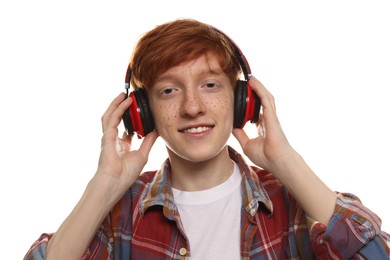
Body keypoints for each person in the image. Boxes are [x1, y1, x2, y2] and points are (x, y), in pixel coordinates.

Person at [25, 19, 390, 259]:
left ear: (241, 99)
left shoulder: (293, 204)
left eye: (210, 85)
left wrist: (286, 162)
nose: (192, 107)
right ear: (142, 111)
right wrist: (103, 186)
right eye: (168, 91)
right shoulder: (120, 213)